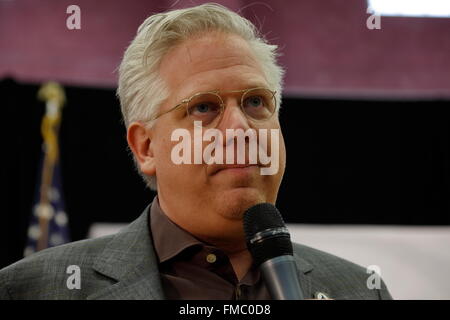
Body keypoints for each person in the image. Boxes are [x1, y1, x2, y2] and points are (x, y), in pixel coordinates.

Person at [0, 3, 392, 300]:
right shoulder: (30, 289)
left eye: (256, 102)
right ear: (146, 147)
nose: (240, 128)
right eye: (204, 107)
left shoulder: (359, 290)